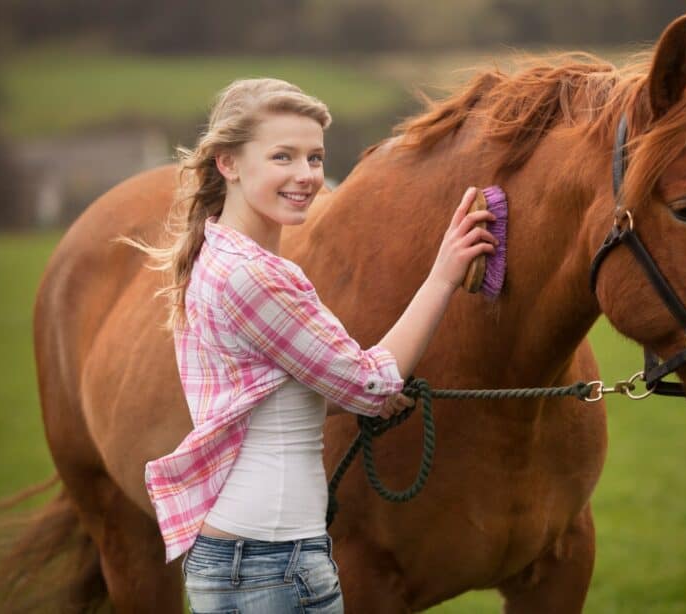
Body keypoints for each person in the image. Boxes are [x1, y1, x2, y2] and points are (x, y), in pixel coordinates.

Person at [123, 78, 498, 613]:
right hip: (276, 563)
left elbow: (265, 399)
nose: (306, 176)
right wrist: (443, 275)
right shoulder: (260, 278)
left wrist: (346, 393)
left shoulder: (214, 258)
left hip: (228, 559)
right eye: (283, 156)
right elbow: (370, 383)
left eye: (315, 157)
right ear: (228, 163)